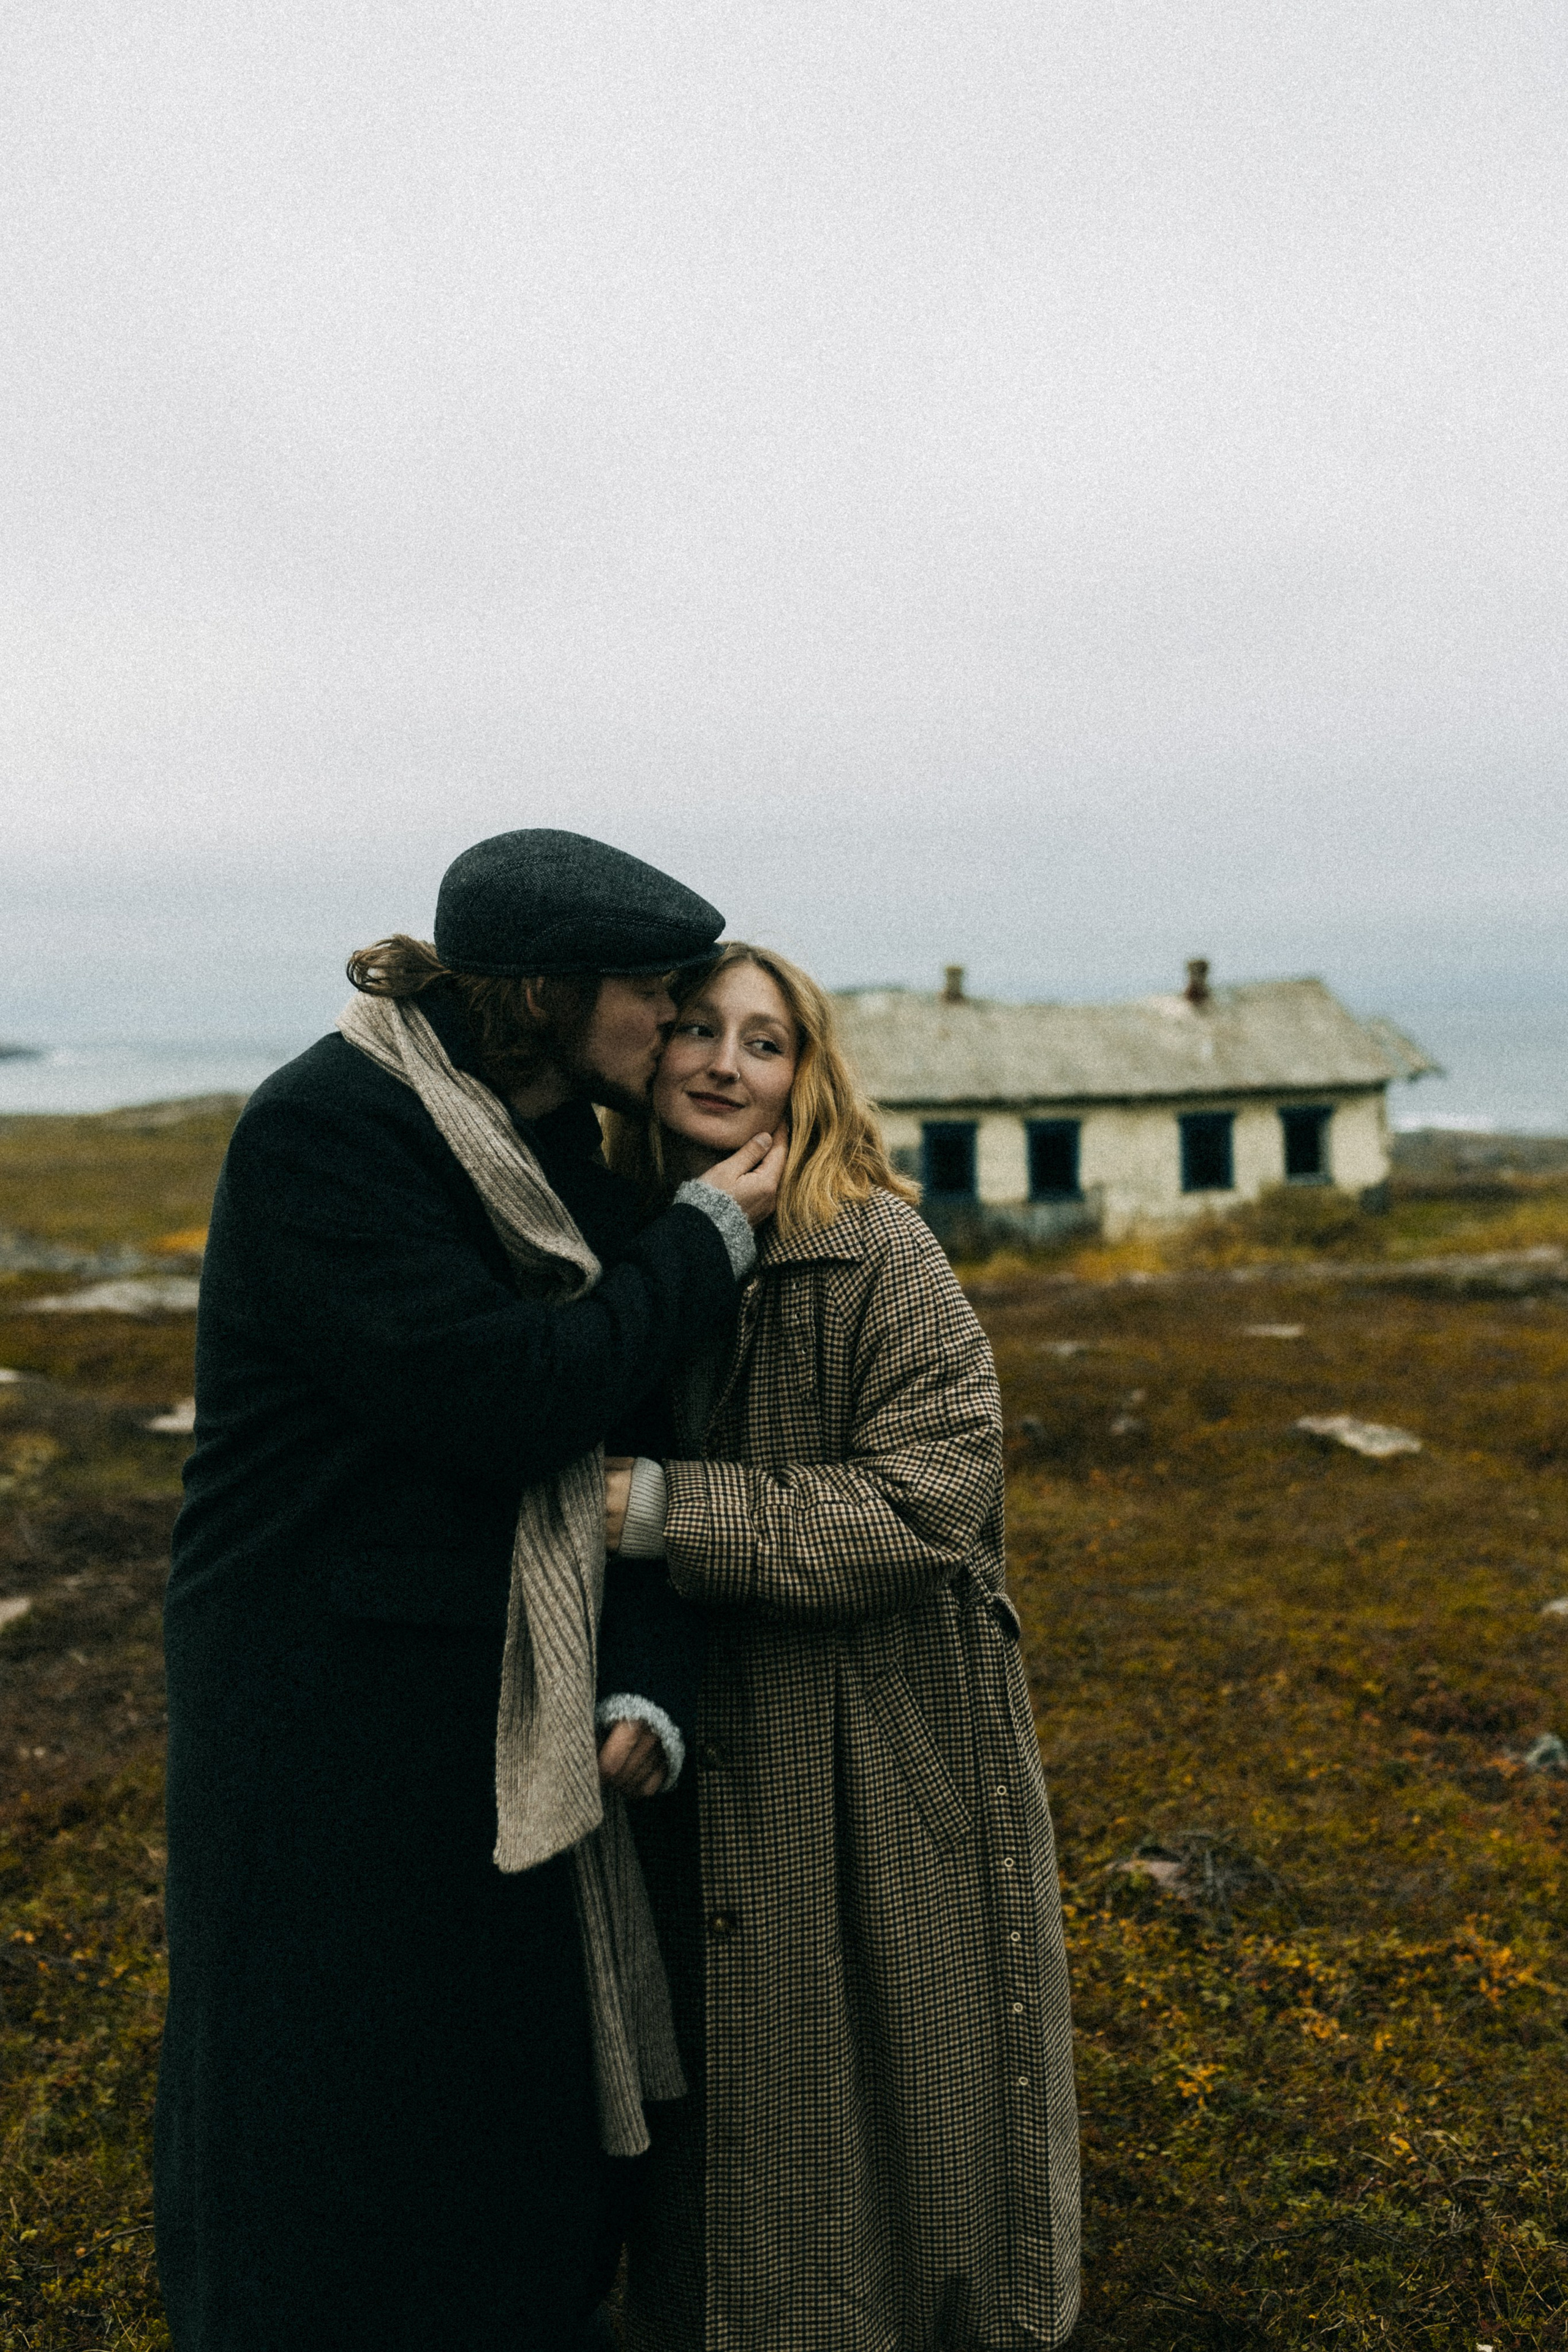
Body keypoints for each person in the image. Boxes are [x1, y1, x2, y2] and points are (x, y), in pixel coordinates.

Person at [154, 831, 784, 2352]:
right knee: (321, 2095)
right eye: (655, 992)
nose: (678, 1025)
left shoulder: (558, 1140)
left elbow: (620, 1440)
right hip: (319, 1705)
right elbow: (511, 1397)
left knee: (508, 2098)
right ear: (549, 994)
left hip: (510, 1694)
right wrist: (706, 1241)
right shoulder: (330, 1131)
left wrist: (642, 1675)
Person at [602, 944, 1081, 2352]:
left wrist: (661, 1513)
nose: (722, 1064)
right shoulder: (634, 1234)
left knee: (888, 2051)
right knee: (716, 2051)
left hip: (877, 1720)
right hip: (697, 1727)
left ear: (808, 1076)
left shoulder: (868, 1243)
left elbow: (931, 1493)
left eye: (763, 1042)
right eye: (695, 1028)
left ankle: (937, 2314)